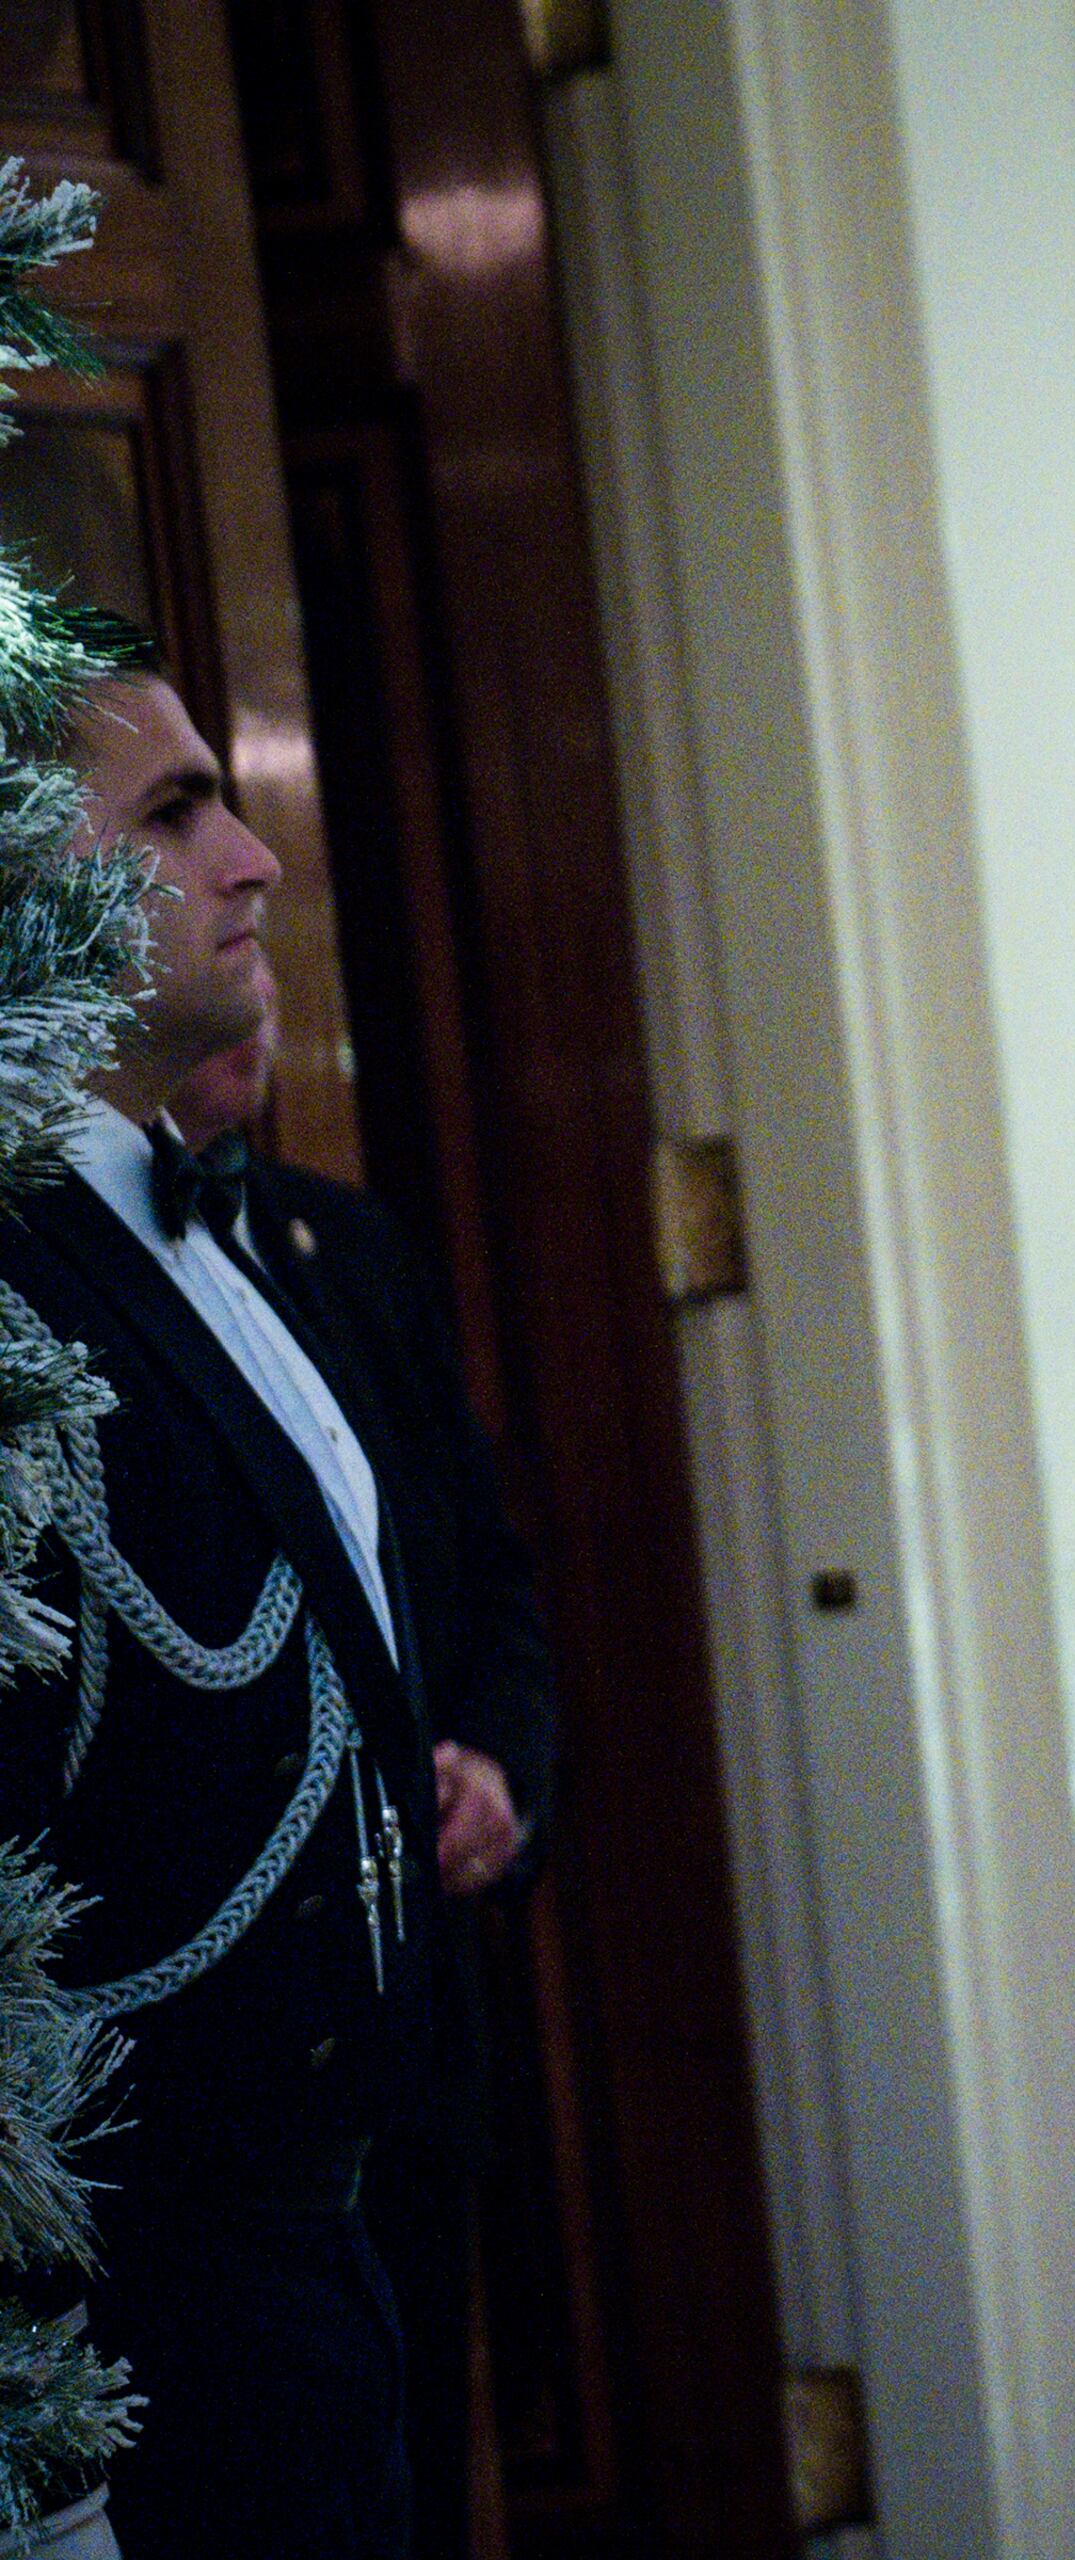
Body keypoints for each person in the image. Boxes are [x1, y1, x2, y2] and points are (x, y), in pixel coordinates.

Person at [0, 667, 441, 2555]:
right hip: (137, 2331)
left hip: (308, 2252)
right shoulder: (22, 1280)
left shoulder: (142, 1219)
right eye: (175, 816)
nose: (253, 859)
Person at [172, 993, 557, 2560]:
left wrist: (497, 1776)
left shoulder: (345, 1248)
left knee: (424, 2453)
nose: (253, 1010)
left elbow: (491, 1589)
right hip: (222, 2066)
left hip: (412, 2008)